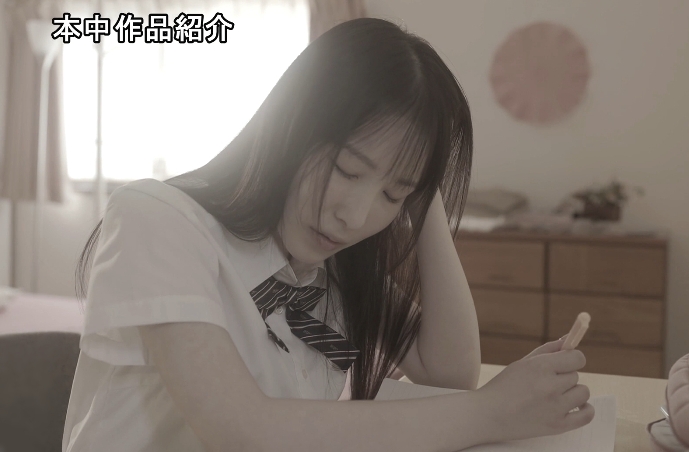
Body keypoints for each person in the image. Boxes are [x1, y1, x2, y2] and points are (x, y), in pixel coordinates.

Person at [63, 17, 594, 452]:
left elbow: (449, 374)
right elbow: (242, 431)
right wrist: (490, 412)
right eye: (347, 169)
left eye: (392, 194)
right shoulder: (160, 219)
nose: (355, 217)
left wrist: (419, 189)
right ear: (290, 126)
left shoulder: (328, 268)